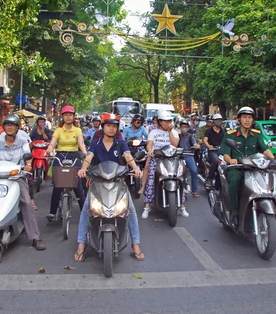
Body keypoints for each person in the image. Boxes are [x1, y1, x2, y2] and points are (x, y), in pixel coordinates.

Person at [74, 117, 144, 261]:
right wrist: (83, 169)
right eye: (109, 126)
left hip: (118, 182)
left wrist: (136, 168)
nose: (111, 129)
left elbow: (128, 156)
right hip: (97, 182)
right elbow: (88, 156)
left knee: (130, 210)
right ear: (103, 127)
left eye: (114, 126)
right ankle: (81, 244)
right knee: (86, 209)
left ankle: (135, 244)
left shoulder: (121, 143)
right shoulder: (96, 143)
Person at [0, 114, 46, 250]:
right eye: (7, 125)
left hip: (16, 176)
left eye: (12, 125)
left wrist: (28, 164)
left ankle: (35, 237)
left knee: (26, 202)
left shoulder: (22, 140)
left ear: (17, 128)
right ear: (4, 127)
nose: (9, 127)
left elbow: (27, 155)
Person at [220, 107, 276, 245]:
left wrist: (275, 160)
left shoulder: (257, 134)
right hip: (238, 168)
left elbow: (265, 150)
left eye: (250, 117)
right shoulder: (231, 134)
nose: (247, 120)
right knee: (234, 180)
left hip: (255, 168)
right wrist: (230, 160)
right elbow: (226, 154)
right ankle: (234, 212)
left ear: (253, 120)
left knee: (268, 190)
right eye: (244, 117)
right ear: (239, 119)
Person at [141, 110, 189, 218]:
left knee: (180, 178)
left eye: (169, 121)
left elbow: (175, 144)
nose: (168, 123)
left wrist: (170, 132)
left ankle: (182, 206)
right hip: (157, 159)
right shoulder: (153, 132)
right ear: (160, 121)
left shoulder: (174, 132)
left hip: (173, 159)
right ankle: (147, 207)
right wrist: (149, 150)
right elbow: (150, 144)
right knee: (151, 180)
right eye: (165, 121)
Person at [46, 105, 87, 222]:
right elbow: (53, 143)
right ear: (62, 117)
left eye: (70, 115)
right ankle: (52, 212)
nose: (68, 117)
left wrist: (85, 154)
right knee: (57, 186)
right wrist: (49, 150)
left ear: (73, 117)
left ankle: (84, 214)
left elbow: (80, 143)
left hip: (74, 156)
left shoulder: (77, 130)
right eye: (66, 115)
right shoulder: (58, 130)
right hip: (60, 156)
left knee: (77, 186)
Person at [178, 120, 200, 198]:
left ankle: (194, 190)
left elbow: (195, 144)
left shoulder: (191, 136)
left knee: (194, 171)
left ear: (188, 128)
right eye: (182, 127)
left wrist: (196, 145)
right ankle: (179, 190)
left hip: (189, 156)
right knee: (178, 173)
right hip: (179, 157)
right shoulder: (178, 136)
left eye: (185, 127)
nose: (184, 128)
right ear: (180, 128)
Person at [203, 113, 224, 189]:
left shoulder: (223, 131)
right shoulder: (209, 131)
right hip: (212, 150)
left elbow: (227, 140)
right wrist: (209, 146)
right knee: (215, 161)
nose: (219, 121)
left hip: (222, 151)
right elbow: (205, 140)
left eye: (220, 120)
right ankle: (209, 178)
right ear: (214, 121)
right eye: (217, 120)